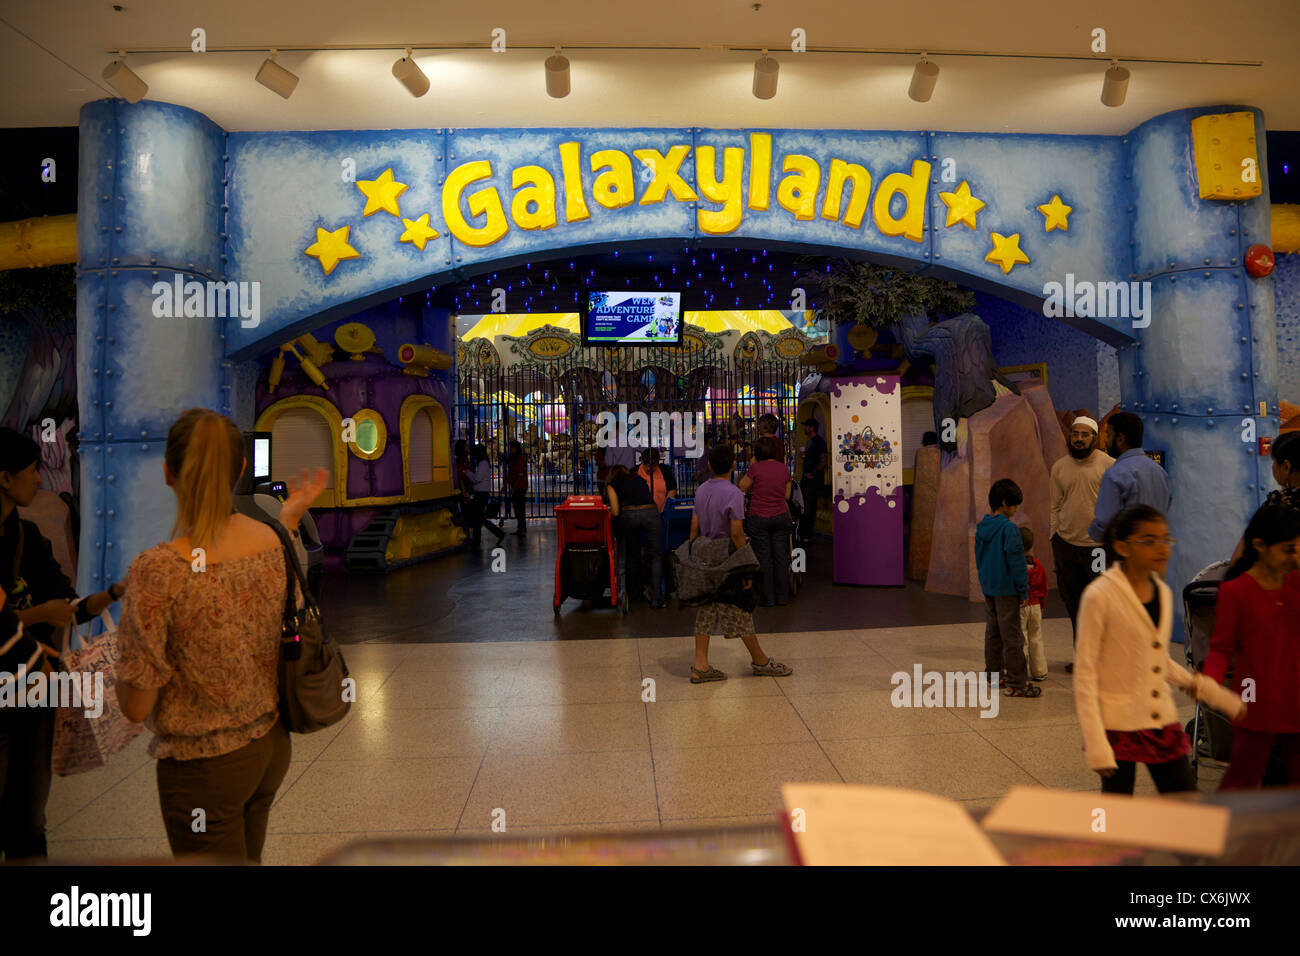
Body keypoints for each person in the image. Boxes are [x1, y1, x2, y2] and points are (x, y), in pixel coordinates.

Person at [115, 409, 328, 862]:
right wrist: (288, 515)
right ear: (242, 469)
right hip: (270, 745)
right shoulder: (274, 541)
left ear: (168, 472)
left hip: (204, 766)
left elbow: (136, 705)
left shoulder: (159, 571)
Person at [0, 427, 125, 861]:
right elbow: (45, 612)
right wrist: (34, 616)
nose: (39, 479)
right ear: (4, 478)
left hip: (32, 690)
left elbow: (66, 605)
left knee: (29, 814)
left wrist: (112, 595)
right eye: (32, 471)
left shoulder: (25, 538)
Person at [1073, 505, 1245, 795]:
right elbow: (1086, 674)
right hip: (1117, 723)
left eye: (1165, 539)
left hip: (1159, 716)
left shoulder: (1162, 593)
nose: (1161, 548)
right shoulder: (1100, 596)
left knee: (1183, 798)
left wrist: (1205, 688)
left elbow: (1157, 659)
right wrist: (1097, 742)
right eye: (1148, 540)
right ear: (1121, 546)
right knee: (1116, 806)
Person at [1203, 505, 1300, 790]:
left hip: (1295, 696)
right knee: (1243, 775)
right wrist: (1209, 681)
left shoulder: (1295, 584)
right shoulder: (1236, 592)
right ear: (1259, 545)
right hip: (1254, 698)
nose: (1293, 557)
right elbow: (1221, 647)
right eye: (1287, 549)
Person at [688, 443, 791, 683]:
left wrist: (693, 552)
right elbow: (736, 532)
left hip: (705, 551)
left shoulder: (701, 490)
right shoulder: (734, 493)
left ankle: (701, 665)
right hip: (726, 554)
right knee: (740, 608)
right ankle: (761, 661)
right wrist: (746, 557)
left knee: (706, 609)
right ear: (734, 464)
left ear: (710, 465)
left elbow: (694, 526)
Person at [1049, 415, 1113, 674]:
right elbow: (1054, 505)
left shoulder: (1109, 466)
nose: (1077, 439)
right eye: (1074, 434)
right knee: (1074, 604)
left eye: (1084, 434)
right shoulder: (1059, 467)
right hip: (1066, 545)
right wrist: (1054, 535)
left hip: (1098, 547)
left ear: (1094, 438)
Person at [975, 479, 1038, 698]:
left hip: (989, 588)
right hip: (1008, 590)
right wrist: (1023, 590)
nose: (1015, 510)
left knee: (993, 633)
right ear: (1004, 503)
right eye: (1014, 505)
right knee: (1013, 636)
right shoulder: (1009, 530)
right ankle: (1017, 683)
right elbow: (1017, 563)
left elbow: (979, 558)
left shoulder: (982, 527)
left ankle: (994, 676)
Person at [1088, 412, 1171, 543]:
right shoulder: (1160, 472)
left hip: (1128, 555)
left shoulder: (1114, 475)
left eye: (1108, 435)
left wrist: (1092, 531)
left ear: (1120, 439)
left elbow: (1105, 523)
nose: (1105, 440)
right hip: (1155, 553)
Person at [738, 436, 792, 606]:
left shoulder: (755, 468)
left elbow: (742, 487)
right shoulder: (784, 469)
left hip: (759, 518)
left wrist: (752, 466)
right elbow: (787, 496)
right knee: (781, 557)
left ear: (757, 453)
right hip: (781, 516)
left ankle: (767, 597)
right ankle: (783, 596)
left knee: (763, 558)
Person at [606, 455, 664, 609]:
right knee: (656, 556)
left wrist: (609, 511)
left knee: (632, 556)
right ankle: (657, 599)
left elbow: (616, 512)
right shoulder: (638, 479)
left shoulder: (612, 483)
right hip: (651, 513)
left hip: (630, 514)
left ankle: (634, 596)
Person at [1020, 525, 1049, 682]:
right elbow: (1044, 586)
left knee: (1022, 639)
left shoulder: (1016, 566)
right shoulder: (1038, 565)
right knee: (1036, 638)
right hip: (1036, 606)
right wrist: (1042, 604)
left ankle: (1021, 672)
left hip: (1021, 606)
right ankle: (1039, 671)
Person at [465, 444, 505, 546]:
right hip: (482, 493)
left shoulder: (482, 464)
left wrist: (468, 473)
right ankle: (497, 534)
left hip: (481, 494)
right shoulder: (484, 463)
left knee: (477, 518)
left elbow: (477, 479)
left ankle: (478, 540)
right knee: (479, 518)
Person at [797, 418, 828, 541]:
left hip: (813, 481)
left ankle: (806, 535)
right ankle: (804, 534)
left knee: (809, 507)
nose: (804, 428)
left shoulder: (818, 442)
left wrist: (813, 472)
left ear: (811, 427)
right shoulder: (811, 441)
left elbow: (824, 460)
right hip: (808, 479)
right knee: (806, 506)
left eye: (806, 426)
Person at [506, 440, 528, 536]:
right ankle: (520, 528)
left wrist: (514, 487)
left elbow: (520, 474)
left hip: (520, 486)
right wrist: (506, 485)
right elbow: (510, 473)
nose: (511, 449)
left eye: (513, 447)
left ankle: (522, 528)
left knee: (520, 508)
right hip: (515, 485)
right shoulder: (512, 458)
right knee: (516, 507)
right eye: (511, 447)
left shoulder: (520, 458)